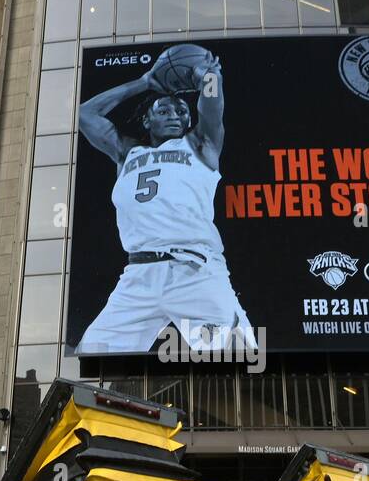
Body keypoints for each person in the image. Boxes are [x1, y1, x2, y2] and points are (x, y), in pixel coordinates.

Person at [74, 51, 256, 354]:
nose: (175, 115)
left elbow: (212, 105)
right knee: (91, 357)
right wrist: (144, 83)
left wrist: (209, 77)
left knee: (241, 359)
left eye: (181, 111)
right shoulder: (126, 152)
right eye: (165, 111)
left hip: (195, 272)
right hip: (138, 276)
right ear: (147, 119)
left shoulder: (201, 144)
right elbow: (85, 114)